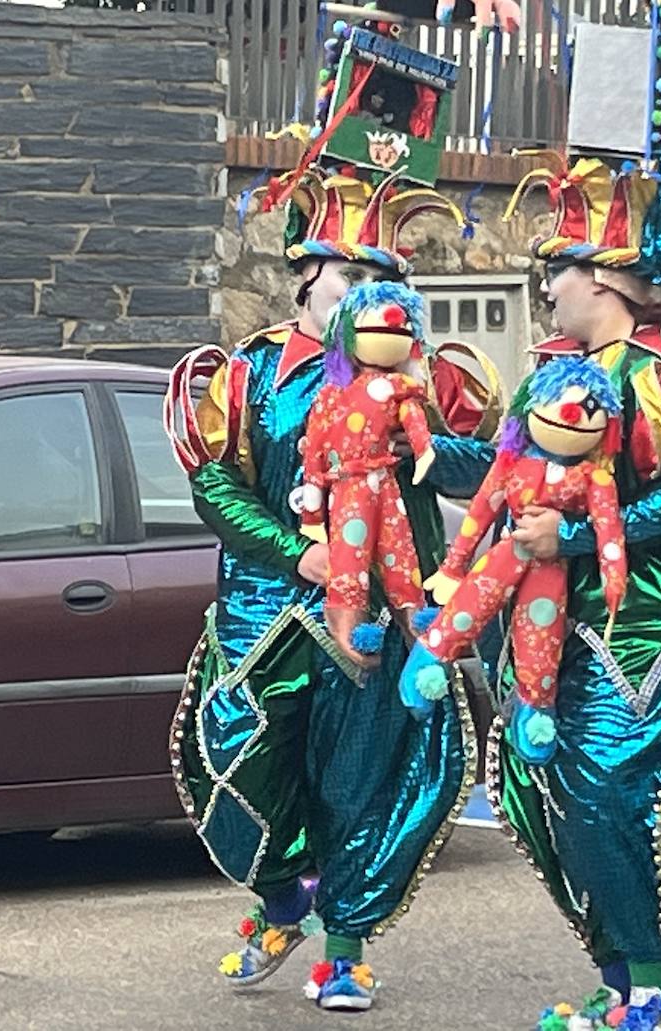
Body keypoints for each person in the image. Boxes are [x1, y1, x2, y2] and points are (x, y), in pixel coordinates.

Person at [478, 9, 661, 1027]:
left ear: (600, 278)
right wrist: (424, 451)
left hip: (653, 621)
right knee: (546, 796)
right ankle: (627, 977)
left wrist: (577, 536)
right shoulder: (552, 378)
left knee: (616, 796)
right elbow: (507, 472)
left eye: (554, 269)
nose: (543, 285)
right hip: (554, 627)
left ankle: (650, 987)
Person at [164, 162, 501, 1012]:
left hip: (378, 619)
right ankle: (281, 903)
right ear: (307, 275)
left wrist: (425, 446)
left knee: (363, 782)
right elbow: (215, 484)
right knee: (229, 764)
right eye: (352, 277)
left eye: (384, 281)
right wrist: (294, 552)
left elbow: (487, 469)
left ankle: (343, 947)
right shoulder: (252, 371)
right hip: (266, 612)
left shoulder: (434, 380)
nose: (365, 298)